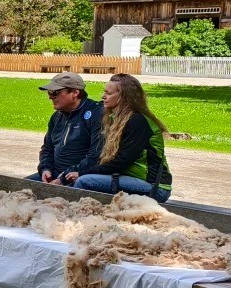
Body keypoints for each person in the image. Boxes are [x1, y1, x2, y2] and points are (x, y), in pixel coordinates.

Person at [63, 73, 172, 202]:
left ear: (123, 97)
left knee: (84, 181)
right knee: (72, 182)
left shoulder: (138, 121)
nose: (103, 96)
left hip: (154, 187)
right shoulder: (114, 119)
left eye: (108, 93)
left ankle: (75, 220)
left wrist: (82, 173)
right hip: (129, 179)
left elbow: (122, 161)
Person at [30, 72, 102, 184]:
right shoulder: (57, 116)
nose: (50, 97)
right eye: (49, 92)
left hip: (80, 177)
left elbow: (96, 155)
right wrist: (45, 169)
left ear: (75, 93)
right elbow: (47, 148)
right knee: (18, 188)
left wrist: (62, 179)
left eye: (55, 93)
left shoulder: (96, 114)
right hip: (54, 175)